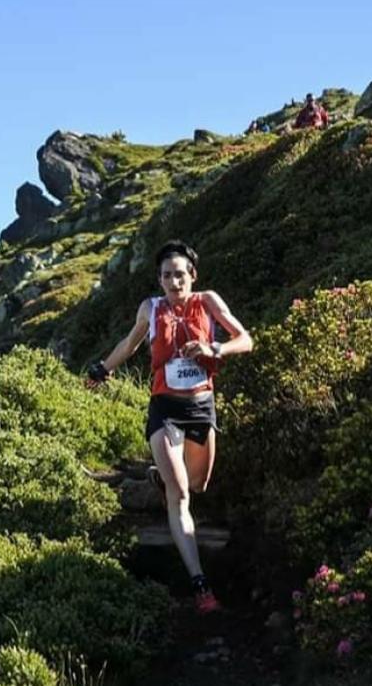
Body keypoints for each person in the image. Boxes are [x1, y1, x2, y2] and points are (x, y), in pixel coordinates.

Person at [86, 240, 252, 614]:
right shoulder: (151, 307)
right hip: (164, 409)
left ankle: (158, 479)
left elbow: (246, 339)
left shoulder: (208, 301)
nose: (173, 282)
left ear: (192, 276)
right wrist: (103, 369)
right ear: (159, 280)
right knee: (180, 496)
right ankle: (200, 585)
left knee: (198, 483)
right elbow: (129, 344)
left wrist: (216, 350)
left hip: (200, 407)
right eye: (166, 275)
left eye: (180, 274)